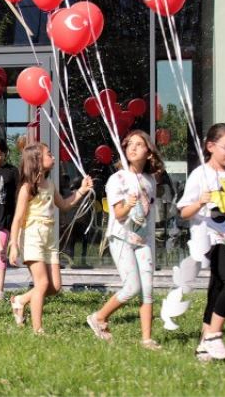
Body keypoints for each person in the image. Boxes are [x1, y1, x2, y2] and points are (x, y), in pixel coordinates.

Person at [87, 130, 163, 350]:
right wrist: (128, 205)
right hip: (121, 238)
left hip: (143, 240)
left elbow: (147, 211)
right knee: (131, 287)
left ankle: (147, 339)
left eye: (139, 145)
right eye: (129, 144)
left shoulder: (150, 180)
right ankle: (99, 318)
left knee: (147, 289)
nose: (133, 148)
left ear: (149, 152)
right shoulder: (117, 179)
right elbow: (118, 214)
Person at [9, 142, 93, 334]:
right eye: (49, 154)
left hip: (50, 239)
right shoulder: (27, 188)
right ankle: (38, 329)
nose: (53, 157)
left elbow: (64, 205)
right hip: (33, 237)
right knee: (43, 284)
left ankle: (20, 301)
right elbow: (18, 219)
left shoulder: (50, 184)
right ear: (37, 160)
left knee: (55, 287)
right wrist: (14, 245)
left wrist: (81, 190)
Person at [177, 123, 225, 361]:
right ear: (210, 146)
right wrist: (200, 202)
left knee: (217, 288)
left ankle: (202, 345)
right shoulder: (200, 174)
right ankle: (213, 335)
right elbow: (183, 213)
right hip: (209, 239)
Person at [0, 137, 19, 301]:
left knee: (0, 253)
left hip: (4, 219)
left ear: (5, 153)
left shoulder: (12, 172)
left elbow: (16, 197)